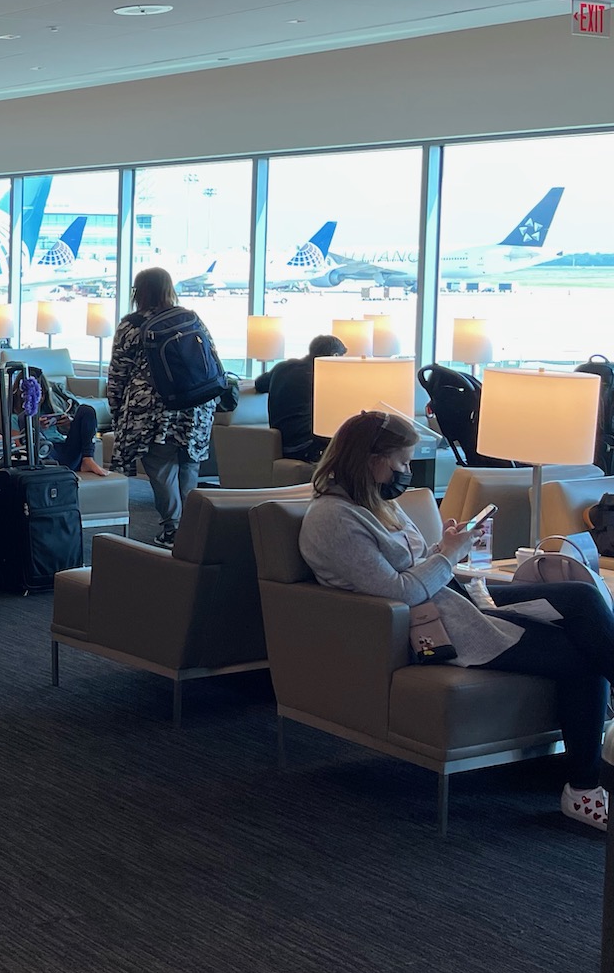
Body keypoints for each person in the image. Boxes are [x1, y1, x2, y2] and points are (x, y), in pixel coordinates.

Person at [302, 409, 613, 831]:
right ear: (372, 460)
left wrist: (447, 548)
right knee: (577, 655)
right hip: (428, 626)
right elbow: (399, 591)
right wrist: (446, 556)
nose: (405, 471)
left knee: (578, 596)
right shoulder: (333, 519)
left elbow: (413, 566)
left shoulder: (375, 503)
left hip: (449, 600)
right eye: (402, 462)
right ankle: (582, 789)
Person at [106, 266, 220, 547]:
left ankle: (174, 528)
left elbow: (119, 372)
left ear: (138, 292)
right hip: (195, 405)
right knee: (188, 465)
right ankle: (193, 529)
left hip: (153, 408)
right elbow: (212, 357)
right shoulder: (190, 318)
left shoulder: (131, 325)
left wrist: (117, 409)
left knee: (161, 466)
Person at [257, 333, 346, 462]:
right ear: (335, 356)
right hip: (305, 445)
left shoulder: (282, 367)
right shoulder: (322, 377)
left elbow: (259, 385)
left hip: (282, 443)